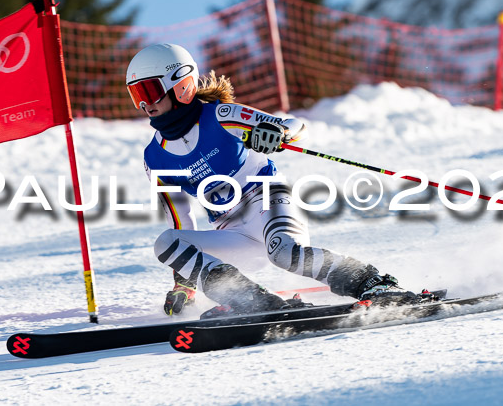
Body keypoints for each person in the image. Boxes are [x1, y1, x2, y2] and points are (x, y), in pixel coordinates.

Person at [126, 43, 406, 316]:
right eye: (136, 94)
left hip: (269, 201)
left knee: (284, 253)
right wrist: (184, 283)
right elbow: (180, 221)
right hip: (232, 232)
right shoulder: (154, 157)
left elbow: (296, 127)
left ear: (181, 85)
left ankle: (373, 283)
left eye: (150, 91)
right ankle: (248, 299)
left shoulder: (222, 116)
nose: (144, 103)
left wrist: (277, 134)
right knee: (165, 242)